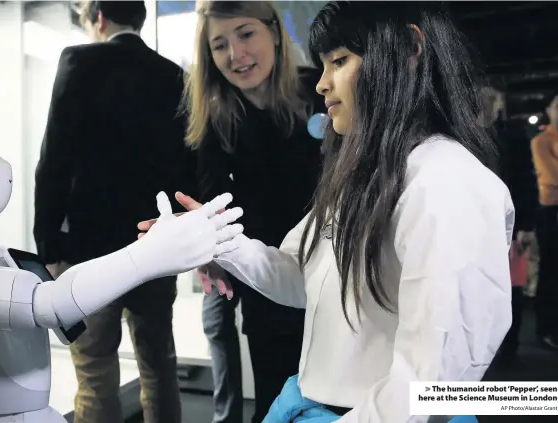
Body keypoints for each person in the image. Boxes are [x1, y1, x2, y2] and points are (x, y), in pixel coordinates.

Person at [140, 2, 513, 421]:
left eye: (339, 61)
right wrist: (212, 241)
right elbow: (300, 273)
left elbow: (433, 382)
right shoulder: (367, 174)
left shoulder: (445, 183)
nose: (322, 84)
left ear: (409, 50)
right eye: (323, 65)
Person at [33, 2, 197, 422]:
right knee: (159, 363)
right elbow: (188, 162)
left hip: (89, 249)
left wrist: (47, 245)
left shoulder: (79, 61)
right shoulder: (173, 75)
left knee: (94, 371)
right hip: (155, 245)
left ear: (99, 19)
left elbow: (55, 159)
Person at [182, 1, 325, 422]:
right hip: (264, 288)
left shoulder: (318, 89)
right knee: (276, 400)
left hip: (334, 275)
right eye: (220, 45)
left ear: (275, 33)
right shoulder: (217, 118)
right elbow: (209, 201)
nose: (235, 55)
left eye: (246, 34)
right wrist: (204, 248)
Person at [479, 86, 538, 365]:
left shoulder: (512, 135)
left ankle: (508, 348)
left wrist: (526, 224)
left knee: (510, 287)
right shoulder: (464, 136)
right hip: (478, 226)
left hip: (510, 225)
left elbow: (525, 180)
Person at [529, 91, 558, 351]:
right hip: (551, 212)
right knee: (551, 270)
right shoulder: (541, 141)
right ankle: (546, 329)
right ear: (549, 109)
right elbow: (553, 176)